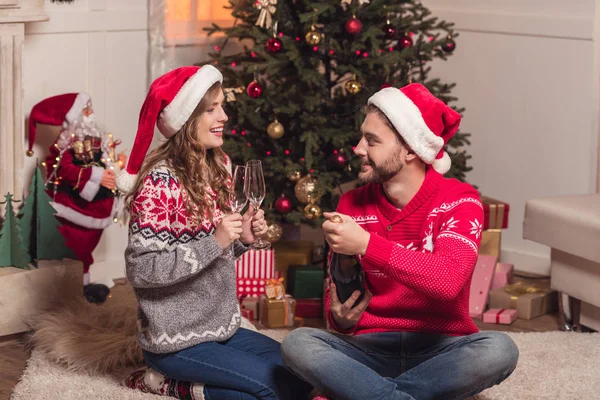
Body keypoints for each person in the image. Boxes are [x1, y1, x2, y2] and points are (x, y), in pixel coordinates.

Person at [281, 84, 519, 400]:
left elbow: (448, 281)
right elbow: (337, 305)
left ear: (410, 149)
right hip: (370, 348)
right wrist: (340, 315)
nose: (357, 149)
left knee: (499, 350)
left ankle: (367, 393)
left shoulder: (460, 200)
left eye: (372, 141)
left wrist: (367, 244)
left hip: (440, 348)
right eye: (361, 137)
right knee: (298, 344)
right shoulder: (352, 204)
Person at [117, 65, 312, 400]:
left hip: (222, 327)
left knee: (304, 375)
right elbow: (142, 271)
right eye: (211, 109)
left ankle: (179, 384)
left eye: (222, 106)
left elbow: (213, 255)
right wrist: (217, 240)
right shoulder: (160, 183)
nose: (223, 116)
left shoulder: (218, 166)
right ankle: (166, 382)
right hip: (175, 341)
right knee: (268, 391)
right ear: (186, 119)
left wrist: (243, 240)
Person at [28, 93, 126, 303]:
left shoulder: (97, 140)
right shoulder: (67, 143)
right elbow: (64, 169)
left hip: (98, 206)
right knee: (76, 247)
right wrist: (98, 176)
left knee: (88, 245)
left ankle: (83, 283)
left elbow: (103, 163)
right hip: (75, 206)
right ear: (74, 118)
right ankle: (75, 286)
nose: (90, 112)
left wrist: (117, 164)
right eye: (84, 109)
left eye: (90, 107)